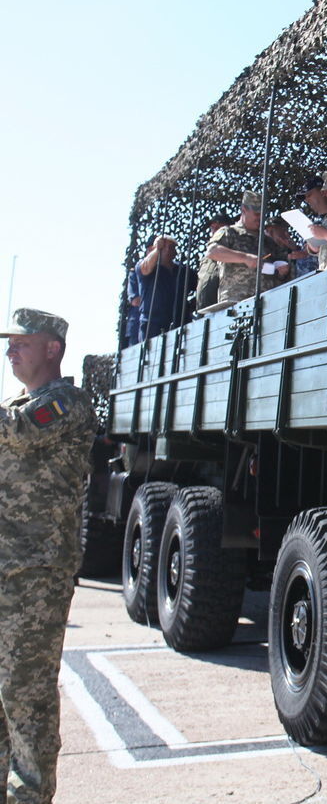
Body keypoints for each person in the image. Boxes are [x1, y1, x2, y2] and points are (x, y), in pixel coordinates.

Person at [0, 308, 97, 804]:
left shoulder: (66, 403)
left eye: (21, 342)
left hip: (35, 570)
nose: (10, 350)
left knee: (26, 695)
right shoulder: (14, 403)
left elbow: (20, 431)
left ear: (52, 348)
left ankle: (31, 796)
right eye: (9, 343)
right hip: (5, 565)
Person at [204, 191, 289, 305]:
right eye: (257, 214)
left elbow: (281, 272)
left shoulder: (268, 241)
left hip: (266, 303)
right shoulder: (229, 232)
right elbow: (212, 251)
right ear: (244, 210)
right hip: (235, 302)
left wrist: (282, 272)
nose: (260, 218)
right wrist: (244, 258)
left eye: (263, 214)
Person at [133, 234, 196, 339]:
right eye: (165, 247)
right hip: (153, 326)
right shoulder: (147, 267)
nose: (169, 251)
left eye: (172, 248)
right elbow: (145, 268)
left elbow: (199, 284)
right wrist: (157, 250)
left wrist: (192, 304)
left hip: (180, 324)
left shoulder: (182, 270)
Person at [193, 213, 234, 313]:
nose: (214, 231)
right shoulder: (206, 258)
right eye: (212, 228)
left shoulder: (234, 252)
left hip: (223, 310)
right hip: (204, 311)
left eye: (218, 228)